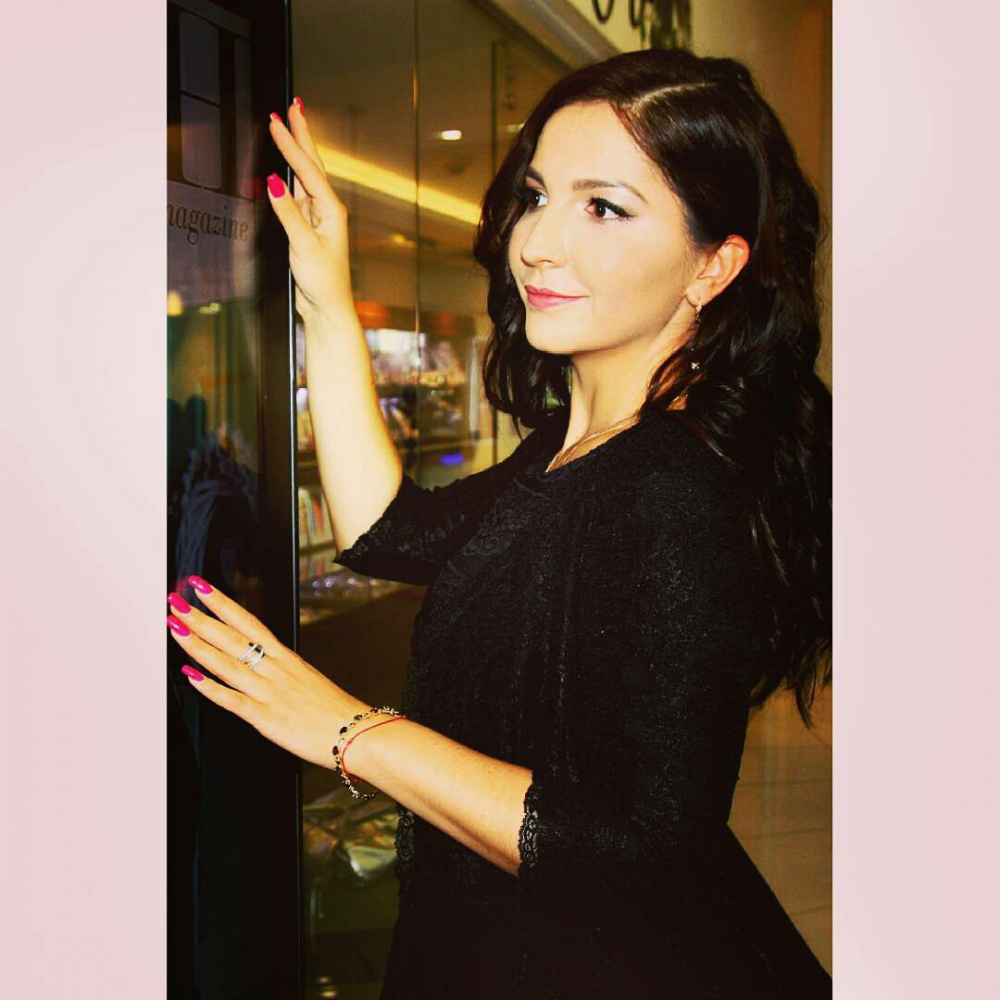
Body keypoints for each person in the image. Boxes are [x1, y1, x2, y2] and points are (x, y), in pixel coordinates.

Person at [165, 48, 832, 998]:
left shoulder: (677, 489)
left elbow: (640, 850)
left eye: (604, 208)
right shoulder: (576, 447)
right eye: (536, 196)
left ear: (713, 265)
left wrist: (351, 731)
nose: (536, 244)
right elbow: (390, 531)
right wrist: (324, 293)